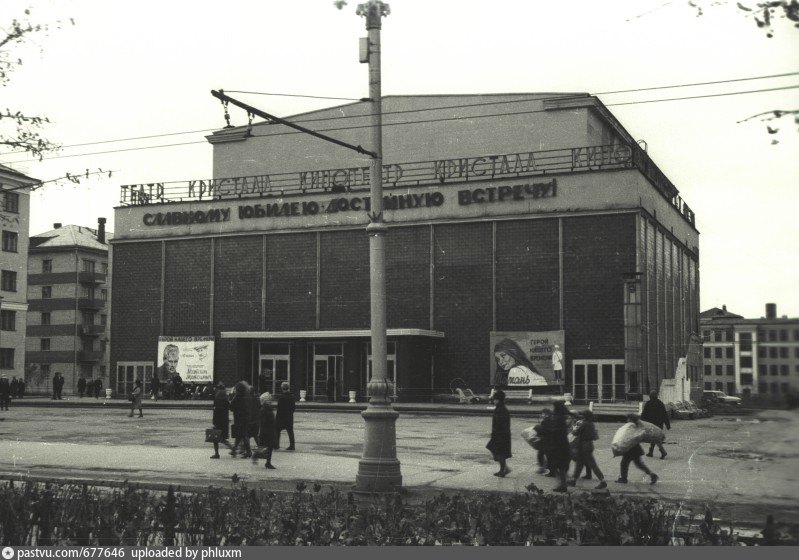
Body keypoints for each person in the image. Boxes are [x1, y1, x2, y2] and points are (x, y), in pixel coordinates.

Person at [568, 411, 607, 489]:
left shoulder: (584, 423)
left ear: (584, 416)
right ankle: (573, 480)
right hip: (589, 445)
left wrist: (574, 429)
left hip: (583, 445)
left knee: (591, 464)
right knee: (579, 463)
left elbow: (575, 433)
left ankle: (603, 481)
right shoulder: (591, 423)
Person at [616, 414, 658, 485]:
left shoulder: (631, 426)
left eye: (628, 418)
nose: (627, 420)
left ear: (631, 420)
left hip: (630, 448)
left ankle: (623, 478)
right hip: (635, 448)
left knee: (624, 464)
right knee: (639, 464)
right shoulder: (636, 426)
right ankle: (652, 475)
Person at [547, 400, 572, 492]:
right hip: (563, 445)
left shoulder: (557, 418)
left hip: (558, 446)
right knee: (562, 466)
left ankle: (562, 485)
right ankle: (563, 484)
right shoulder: (562, 417)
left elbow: (555, 432)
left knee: (559, 466)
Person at [485, 389, 512, 477]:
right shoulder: (501, 408)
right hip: (502, 434)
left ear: (498, 400)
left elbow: (499, 424)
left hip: (500, 435)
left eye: (495, 399)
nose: (494, 401)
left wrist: (495, 434)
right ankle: (504, 468)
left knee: (498, 452)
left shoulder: (500, 410)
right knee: (496, 450)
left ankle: (503, 470)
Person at [641, 390, 671, 459]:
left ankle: (661, 452)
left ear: (651, 396)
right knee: (655, 438)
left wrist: (640, 423)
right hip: (659, 425)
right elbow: (665, 415)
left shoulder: (648, 403)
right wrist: (667, 425)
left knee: (654, 438)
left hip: (651, 425)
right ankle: (652, 452)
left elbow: (644, 414)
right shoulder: (660, 403)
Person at [229, 381, 251, 458]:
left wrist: (232, 397)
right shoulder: (247, 396)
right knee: (239, 435)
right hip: (246, 417)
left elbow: (231, 407)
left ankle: (249, 452)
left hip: (239, 419)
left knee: (243, 435)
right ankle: (234, 450)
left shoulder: (237, 397)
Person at [210, 383, 232, 459]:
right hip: (224, 421)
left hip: (218, 421)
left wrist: (214, 422)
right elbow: (228, 407)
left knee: (215, 438)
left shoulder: (217, 397)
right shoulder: (225, 398)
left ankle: (217, 453)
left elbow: (216, 411)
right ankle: (233, 448)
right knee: (222, 438)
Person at [256, 392, 277, 469]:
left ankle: (267, 462)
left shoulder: (267, 408)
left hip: (269, 430)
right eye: (269, 399)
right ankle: (259, 457)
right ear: (265, 400)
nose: (271, 400)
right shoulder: (264, 409)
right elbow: (263, 422)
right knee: (267, 446)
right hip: (267, 431)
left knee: (269, 446)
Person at [275, 381, 296, 451]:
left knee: (277, 430)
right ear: (288, 388)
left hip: (281, 417)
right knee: (290, 431)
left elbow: (279, 409)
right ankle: (292, 445)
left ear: (282, 388)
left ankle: (276, 445)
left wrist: (277, 418)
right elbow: (293, 408)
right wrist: (290, 413)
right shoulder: (291, 396)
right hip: (289, 417)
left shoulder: (281, 397)